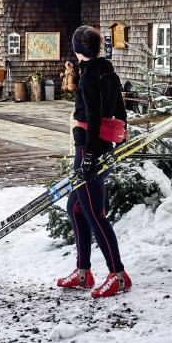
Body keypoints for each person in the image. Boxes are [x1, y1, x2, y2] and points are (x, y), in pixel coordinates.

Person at [56, 26, 131, 298]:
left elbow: (94, 117)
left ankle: (118, 275)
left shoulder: (89, 76)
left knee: (95, 215)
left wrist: (88, 157)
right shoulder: (108, 71)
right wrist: (121, 139)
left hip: (90, 147)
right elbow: (121, 108)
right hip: (101, 145)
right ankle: (83, 272)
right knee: (75, 209)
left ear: (78, 49)